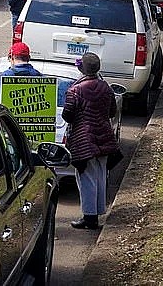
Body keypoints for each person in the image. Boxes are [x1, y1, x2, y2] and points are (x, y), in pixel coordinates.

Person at [63, 52, 119, 230]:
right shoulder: (106, 87)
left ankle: (89, 217)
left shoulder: (75, 90)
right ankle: (97, 211)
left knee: (86, 178)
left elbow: (68, 115)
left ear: (81, 69)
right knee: (100, 175)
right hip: (104, 136)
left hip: (84, 139)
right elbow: (112, 112)